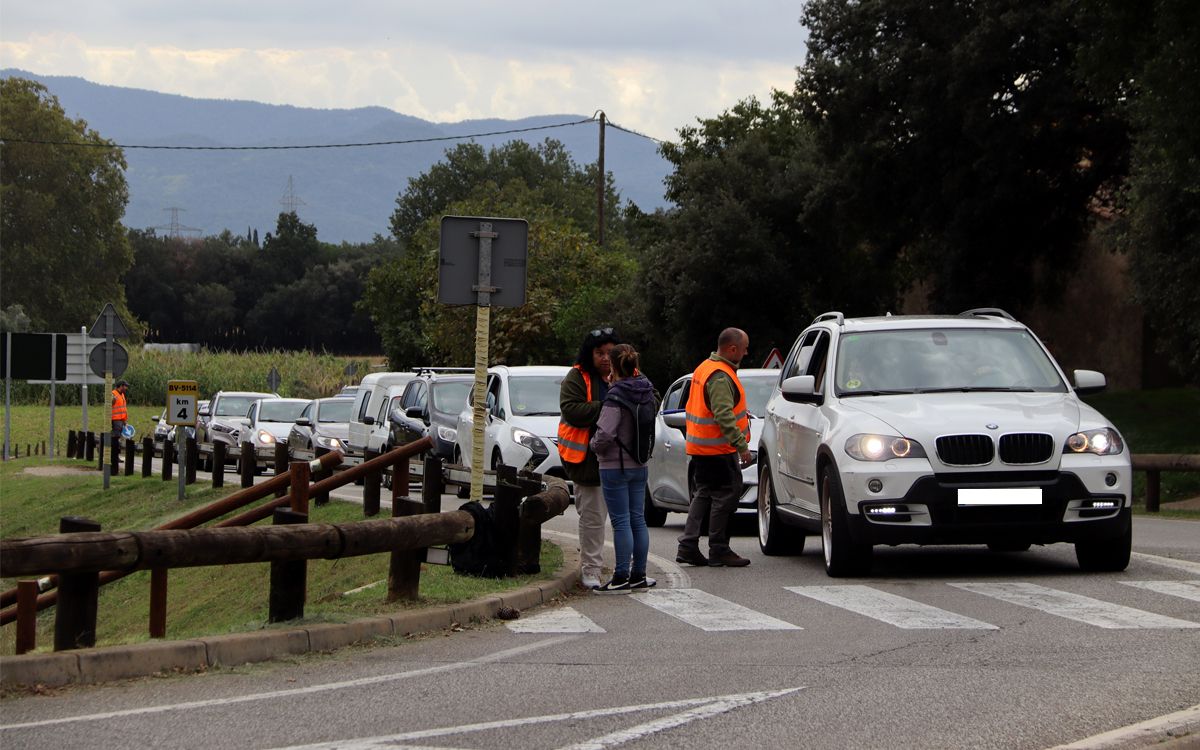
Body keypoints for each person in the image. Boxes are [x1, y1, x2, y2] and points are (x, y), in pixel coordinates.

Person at [677, 328, 753, 568]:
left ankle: (688, 545)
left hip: (700, 448)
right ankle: (718, 548)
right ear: (732, 349)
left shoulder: (704, 367)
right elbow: (723, 415)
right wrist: (741, 446)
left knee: (703, 494)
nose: (746, 352)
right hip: (718, 450)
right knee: (725, 497)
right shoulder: (720, 376)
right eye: (744, 348)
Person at [590, 344, 657, 593]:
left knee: (620, 522)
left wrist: (593, 445)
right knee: (638, 520)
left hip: (614, 465)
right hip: (640, 463)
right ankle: (639, 573)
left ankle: (621, 577)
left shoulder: (615, 396)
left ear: (615, 367)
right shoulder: (646, 390)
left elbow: (606, 432)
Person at [558, 327, 619, 589]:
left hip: (623, 461)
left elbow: (649, 398)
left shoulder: (629, 373)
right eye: (599, 353)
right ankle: (591, 570)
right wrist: (611, 406)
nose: (606, 358)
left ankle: (627, 570)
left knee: (625, 518)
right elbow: (572, 410)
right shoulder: (577, 377)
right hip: (588, 463)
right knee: (593, 519)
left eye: (610, 353)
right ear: (589, 354)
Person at [111, 379, 130, 465]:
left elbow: (123, 409)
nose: (126, 388)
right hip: (115, 420)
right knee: (115, 439)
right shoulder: (113, 394)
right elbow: (109, 405)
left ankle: (115, 456)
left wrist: (124, 421)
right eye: (125, 386)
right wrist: (112, 400)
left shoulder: (122, 395)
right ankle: (114, 457)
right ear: (121, 386)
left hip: (121, 420)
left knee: (117, 439)